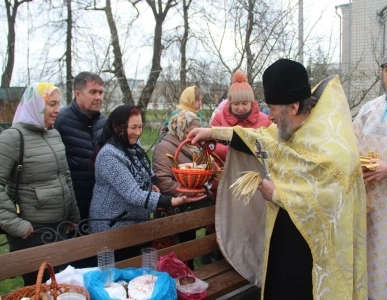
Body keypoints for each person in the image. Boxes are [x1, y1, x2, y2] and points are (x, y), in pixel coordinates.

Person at [187, 59, 368, 299]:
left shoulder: (334, 147)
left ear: (293, 107)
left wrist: (277, 195)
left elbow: (331, 201)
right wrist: (212, 132)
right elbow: (260, 137)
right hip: (281, 240)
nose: (268, 115)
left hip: (314, 254)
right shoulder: (289, 129)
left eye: (272, 108)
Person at [0, 82, 80, 285]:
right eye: (51, 104)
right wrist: (16, 225)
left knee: (61, 287)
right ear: (35, 105)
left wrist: (73, 216)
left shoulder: (53, 133)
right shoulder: (12, 138)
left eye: (58, 104)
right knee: (39, 290)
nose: (57, 110)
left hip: (60, 228)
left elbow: (65, 176)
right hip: (32, 232)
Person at [89, 105, 206, 235]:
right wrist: (171, 201)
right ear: (117, 127)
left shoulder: (133, 145)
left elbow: (143, 172)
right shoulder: (109, 155)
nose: (138, 132)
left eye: (140, 127)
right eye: (133, 127)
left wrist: (150, 185)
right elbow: (132, 193)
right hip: (112, 226)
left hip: (135, 223)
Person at [353, 48, 387, 299]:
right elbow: (349, 144)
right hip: (364, 204)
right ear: (382, 73)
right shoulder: (368, 109)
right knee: (362, 269)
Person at [152, 110, 213, 269]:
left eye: (197, 130)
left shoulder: (193, 146)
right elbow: (163, 180)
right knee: (177, 250)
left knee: (188, 248)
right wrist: (186, 194)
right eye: (190, 130)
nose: (193, 134)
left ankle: (189, 272)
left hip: (190, 206)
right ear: (180, 128)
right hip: (176, 207)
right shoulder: (164, 147)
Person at [54, 72, 107, 220]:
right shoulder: (60, 121)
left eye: (101, 92)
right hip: (71, 202)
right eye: (93, 92)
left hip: (100, 200)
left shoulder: (105, 123)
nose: (98, 97)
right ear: (78, 94)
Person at [210, 70, 272, 162]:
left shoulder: (266, 120)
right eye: (236, 104)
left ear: (251, 102)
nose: (240, 107)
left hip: (257, 173)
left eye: (245, 103)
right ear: (230, 103)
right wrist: (242, 150)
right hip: (225, 171)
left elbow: (271, 145)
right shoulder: (219, 118)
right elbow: (213, 146)